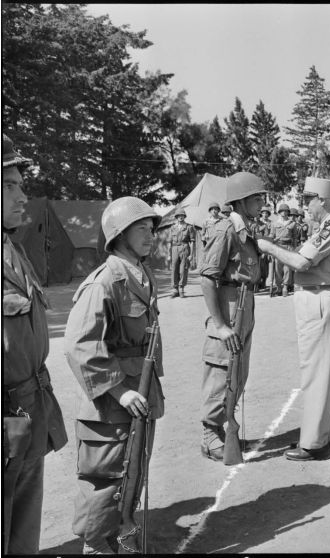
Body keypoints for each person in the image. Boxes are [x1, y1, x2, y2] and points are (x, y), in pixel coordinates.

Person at [64, 197, 164, 554]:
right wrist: (120, 391)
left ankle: (122, 531)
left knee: (132, 471)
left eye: (152, 228)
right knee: (105, 482)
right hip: (110, 405)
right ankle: (96, 546)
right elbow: (79, 344)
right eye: (142, 227)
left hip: (139, 394)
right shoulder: (105, 281)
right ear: (119, 234)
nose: (151, 234)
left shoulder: (140, 274)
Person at [3, 135, 68, 555]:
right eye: (9, 185)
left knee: (23, 525)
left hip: (29, 405)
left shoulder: (13, 247)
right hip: (6, 411)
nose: (23, 194)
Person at [257, 177, 330, 461]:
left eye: (308, 198)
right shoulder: (324, 226)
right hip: (317, 296)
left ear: (322, 199)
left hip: (319, 298)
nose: (304, 204)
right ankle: (321, 435)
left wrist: (267, 246)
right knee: (318, 373)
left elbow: (300, 261)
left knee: (316, 374)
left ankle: (314, 443)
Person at [198, 172, 267, 461]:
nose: (261, 203)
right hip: (228, 304)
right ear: (240, 201)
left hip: (244, 302)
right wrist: (220, 324)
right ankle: (210, 434)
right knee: (222, 369)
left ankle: (227, 428)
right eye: (256, 198)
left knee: (238, 372)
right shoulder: (225, 229)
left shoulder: (246, 230)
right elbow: (207, 278)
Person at [271, 203, 297, 297]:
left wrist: (294, 250)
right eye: (282, 211)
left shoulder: (292, 224)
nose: (284, 212)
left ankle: (285, 286)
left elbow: (295, 238)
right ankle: (278, 286)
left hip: (288, 247)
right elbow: (271, 236)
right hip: (278, 246)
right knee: (277, 268)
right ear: (279, 212)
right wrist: (272, 242)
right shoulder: (274, 224)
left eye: (286, 211)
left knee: (287, 268)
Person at [169, 208, 193, 298]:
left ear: (184, 216)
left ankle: (181, 288)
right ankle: (175, 289)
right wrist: (168, 254)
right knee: (174, 268)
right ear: (176, 217)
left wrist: (191, 254)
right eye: (179, 216)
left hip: (184, 248)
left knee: (183, 269)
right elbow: (169, 241)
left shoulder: (189, 227)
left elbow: (192, 241)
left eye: (182, 215)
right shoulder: (173, 227)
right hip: (174, 248)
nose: (180, 217)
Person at [255, 205, 273, 290]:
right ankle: (256, 284)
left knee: (265, 266)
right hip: (255, 246)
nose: (264, 214)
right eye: (263, 213)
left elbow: (267, 236)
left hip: (264, 245)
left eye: (266, 213)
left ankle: (263, 282)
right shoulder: (256, 223)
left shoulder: (269, 223)